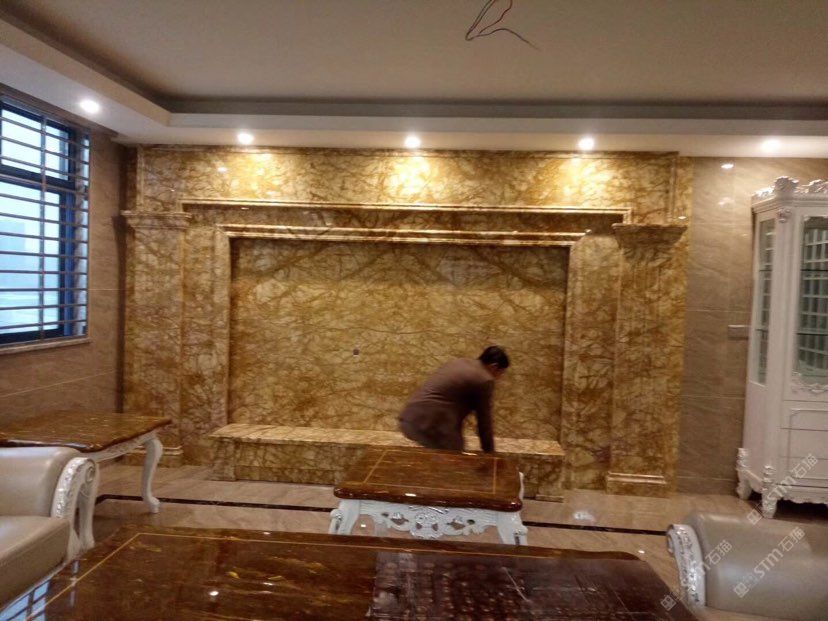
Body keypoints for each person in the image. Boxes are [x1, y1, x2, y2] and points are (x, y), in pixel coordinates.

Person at [399, 345, 509, 453]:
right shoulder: (485, 379)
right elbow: (484, 422)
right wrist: (490, 454)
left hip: (411, 417)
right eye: (501, 373)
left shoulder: (460, 362)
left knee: (455, 447)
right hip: (429, 424)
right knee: (455, 457)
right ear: (494, 367)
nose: (499, 378)